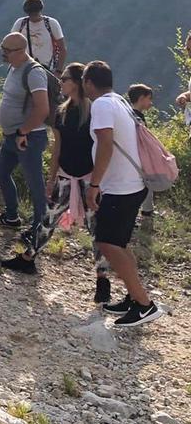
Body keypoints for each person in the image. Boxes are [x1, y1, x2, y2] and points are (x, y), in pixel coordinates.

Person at [0, 64, 105, 285]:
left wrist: (98, 181)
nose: (60, 82)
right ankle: (29, 257)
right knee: (49, 219)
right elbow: (57, 148)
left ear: (77, 83)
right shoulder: (61, 112)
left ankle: (102, 277)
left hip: (89, 178)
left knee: (95, 227)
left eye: (65, 79)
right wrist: (52, 178)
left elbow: (102, 146)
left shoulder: (96, 111)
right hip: (66, 175)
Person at [84, 61, 163, 327]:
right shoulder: (117, 100)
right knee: (119, 244)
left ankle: (144, 304)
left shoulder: (101, 105)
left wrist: (94, 185)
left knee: (108, 244)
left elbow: (105, 143)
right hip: (132, 185)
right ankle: (133, 298)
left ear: (88, 83)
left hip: (121, 188)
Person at [0, 32, 50, 241]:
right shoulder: (14, 67)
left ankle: (39, 230)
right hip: (13, 136)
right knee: (0, 172)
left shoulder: (34, 72)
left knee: (35, 183)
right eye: (2, 48)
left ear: (20, 50)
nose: (3, 54)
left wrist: (23, 131)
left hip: (28, 137)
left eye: (7, 50)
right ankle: (12, 216)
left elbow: (42, 108)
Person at [11, 0, 66, 73]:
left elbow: (62, 49)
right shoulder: (20, 24)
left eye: (35, 13)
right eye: (31, 14)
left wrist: (59, 71)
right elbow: (10, 45)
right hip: (23, 69)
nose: (33, 17)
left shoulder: (51, 24)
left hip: (47, 70)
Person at [127, 84, 156, 219]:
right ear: (141, 98)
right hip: (139, 157)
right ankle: (146, 211)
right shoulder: (136, 118)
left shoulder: (128, 114)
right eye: (149, 99)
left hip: (133, 157)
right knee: (146, 183)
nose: (150, 102)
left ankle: (146, 209)